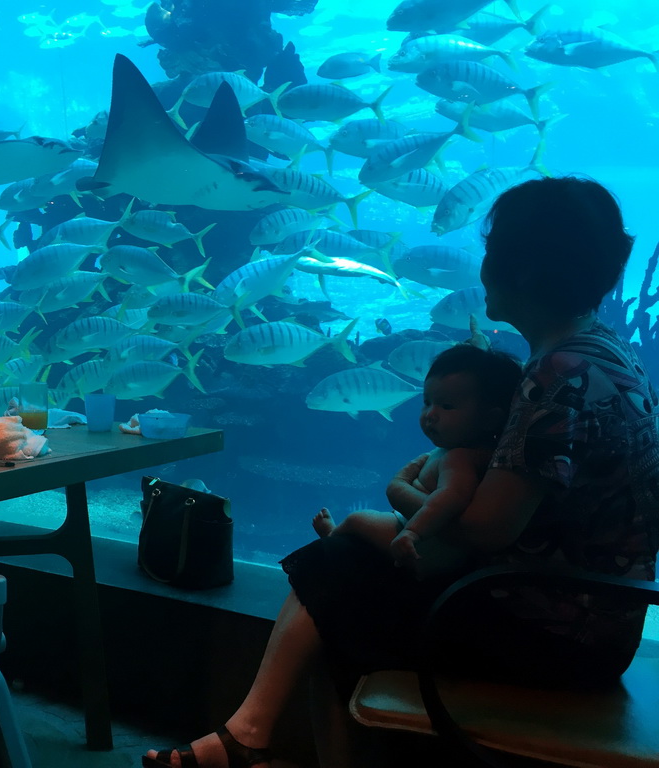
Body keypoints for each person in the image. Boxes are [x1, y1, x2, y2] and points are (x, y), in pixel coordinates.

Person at [144, 175, 659, 768]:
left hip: (555, 631)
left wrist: (401, 496)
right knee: (339, 569)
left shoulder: (557, 376)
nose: (482, 268)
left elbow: (487, 529)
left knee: (332, 571)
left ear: (522, 268)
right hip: (596, 619)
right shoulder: (606, 353)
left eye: (492, 253)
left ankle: (245, 738)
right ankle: (249, 738)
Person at [312, 344, 523, 575]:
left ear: (490, 419)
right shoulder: (463, 452)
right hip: (423, 537)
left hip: (427, 547)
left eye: (446, 406)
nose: (430, 414)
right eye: (427, 402)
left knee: (358, 519)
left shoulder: (459, 458)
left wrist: (413, 532)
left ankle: (333, 536)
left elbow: (448, 498)